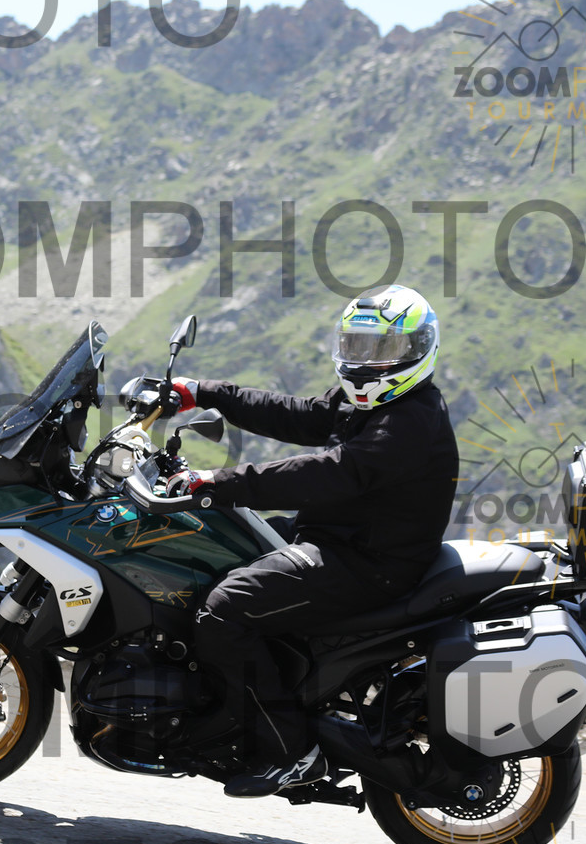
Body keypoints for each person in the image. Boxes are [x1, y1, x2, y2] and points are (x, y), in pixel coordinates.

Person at [165, 284, 459, 798]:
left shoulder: (409, 419)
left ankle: (289, 750)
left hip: (366, 562)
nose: (366, 361)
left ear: (418, 349)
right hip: (334, 538)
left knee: (223, 611)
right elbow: (297, 414)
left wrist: (217, 483)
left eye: (383, 349)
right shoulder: (371, 402)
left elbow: (329, 473)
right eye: (358, 346)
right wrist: (204, 392)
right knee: (204, 547)